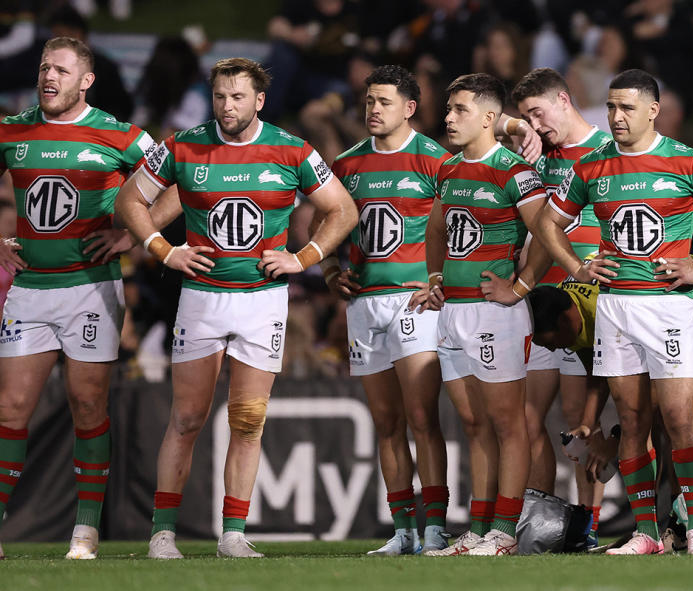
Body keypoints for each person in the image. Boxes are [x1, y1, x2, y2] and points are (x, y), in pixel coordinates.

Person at [116, 57, 357, 559]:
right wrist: (165, 249)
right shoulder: (184, 144)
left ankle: (233, 535)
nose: (227, 106)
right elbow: (129, 202)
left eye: (238, 97)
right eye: (221, 96)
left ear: (259, 100)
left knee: (248, 420)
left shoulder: (291, 150)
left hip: (261, 302)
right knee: (186, 418)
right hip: (202, 299)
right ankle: (162, 534)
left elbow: (342, 209)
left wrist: (304, 257)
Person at [538, 68, 693, 555]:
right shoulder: (592, 166)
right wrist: (578, 266)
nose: (616, 117)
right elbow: (548, 223)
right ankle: (645, 533)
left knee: (680, 418)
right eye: (612, 107)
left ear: (653, 110)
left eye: (627, 108)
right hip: (616, 306)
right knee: (634, 421)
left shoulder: (689, 161)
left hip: (668, 308)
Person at [0, 37, 162, 560]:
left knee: (87, 404)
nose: (50, 77)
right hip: (30, 289)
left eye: (62, 70)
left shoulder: (119, 135)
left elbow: (177, 178)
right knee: (11, 407)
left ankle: (85, 529)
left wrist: (136, 234)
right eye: (45, 68)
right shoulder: (13, 129)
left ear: (85, 80)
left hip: (91, 289)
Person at [415, 72, 547, 556]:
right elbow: (435, 230)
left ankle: (506, 533)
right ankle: (479, 526)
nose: (449, 118)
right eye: (448, 110)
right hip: (453, 313)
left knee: (508, 424)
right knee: (473, 424)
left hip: (495, 315)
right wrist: (433, 280)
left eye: (460, 110)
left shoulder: (514, 171)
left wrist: (521, 286)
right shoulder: (449, 169)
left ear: (490, 118)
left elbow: (548, 235)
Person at [325, 65, 451, 555]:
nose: (373, 109)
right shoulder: (348, 163)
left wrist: (440, 279)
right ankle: (403, 531)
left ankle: (436, 526)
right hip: (363, 305)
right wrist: (331, 270)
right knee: (386, 423)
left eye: (383, 101)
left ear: (409, 108)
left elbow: (456, 224)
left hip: (414, 301)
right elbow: (327, 218)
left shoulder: (434, 160)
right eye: (369, 101)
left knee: (422, 417)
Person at [509, 67, 611, 543]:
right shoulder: (536, 151)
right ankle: (544, 522)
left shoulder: (608, 151)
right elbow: (486, 122)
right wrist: (517, 127)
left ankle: (584, 528)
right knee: (527, 420)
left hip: (583, 309)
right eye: (526, 114)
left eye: (538, 112)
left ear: (564, 101)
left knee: (578, 424)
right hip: (537, 301)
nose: (535, 122)